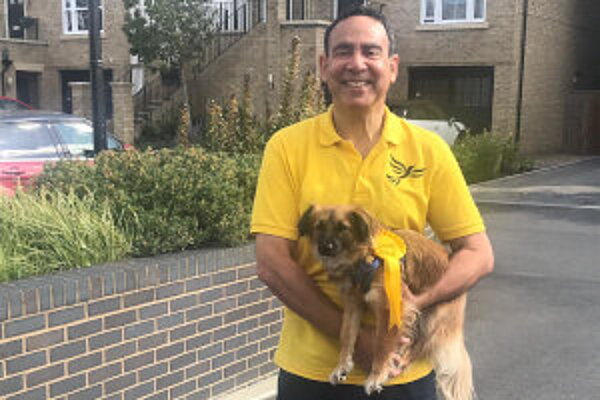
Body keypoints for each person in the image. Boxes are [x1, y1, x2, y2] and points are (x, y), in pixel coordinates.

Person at [250, 6, 494, 400]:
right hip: (311, 375)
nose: (356, 64)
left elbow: (478, 253)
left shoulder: (428, 150)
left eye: (371, 51)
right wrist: (358, 341)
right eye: (344, 52)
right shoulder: (286, 148)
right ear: (324, 66)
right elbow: (272, 263)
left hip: (404, 373)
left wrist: (416, 302)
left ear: (393, 67)